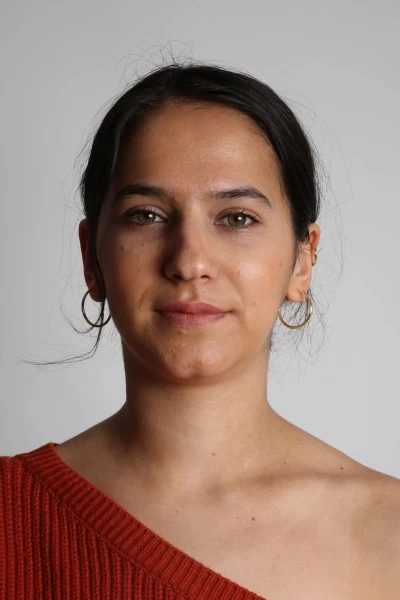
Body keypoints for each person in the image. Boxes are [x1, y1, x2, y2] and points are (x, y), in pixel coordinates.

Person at [1, 62, 399, 600]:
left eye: (237, 218)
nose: (189, 262)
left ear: (302, 261)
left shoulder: (388, 531)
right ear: (91, 257)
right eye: (146, 215)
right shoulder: (10, 514)